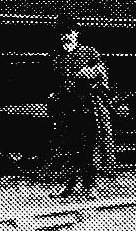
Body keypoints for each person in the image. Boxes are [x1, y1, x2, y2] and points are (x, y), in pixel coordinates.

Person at [48, 16, 115, 199]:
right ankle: (69, 185)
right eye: (64, 33)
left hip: (87, 107)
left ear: (77, 34)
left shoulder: (89, 52)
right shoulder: (57, 57)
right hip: (66, 109)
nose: (67, 37)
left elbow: (102, 74)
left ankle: (89, 186)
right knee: (69, 147)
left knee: (88, 147)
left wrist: (89, 74)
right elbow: (53, 84)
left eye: (70, 32)